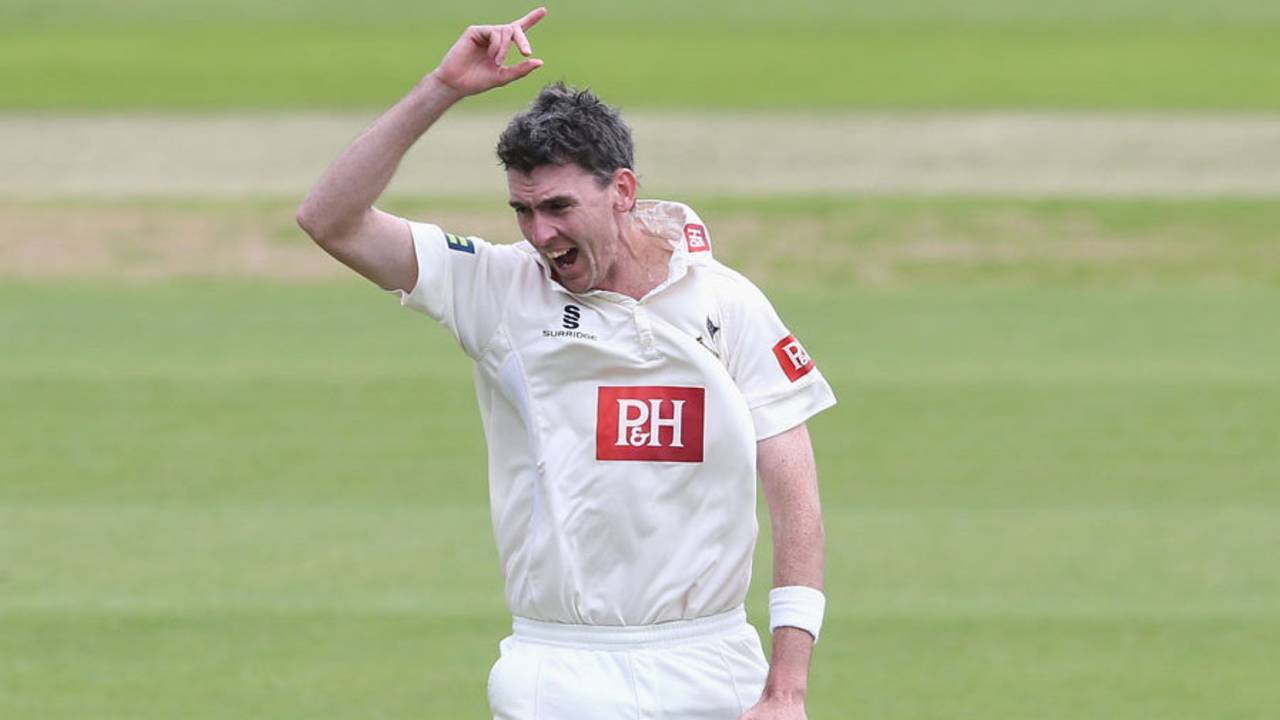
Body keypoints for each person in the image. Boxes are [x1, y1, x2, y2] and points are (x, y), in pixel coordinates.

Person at [296, 8, 835, 719]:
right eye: (522, 210)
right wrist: (442, 87)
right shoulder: (497, 288)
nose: (540, 234)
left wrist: (787, 689)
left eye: (557, 206)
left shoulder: (727, 304)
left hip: (713, 664)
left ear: (623, 190)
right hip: (557, 670)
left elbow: (795, 496)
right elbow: (330, 220)